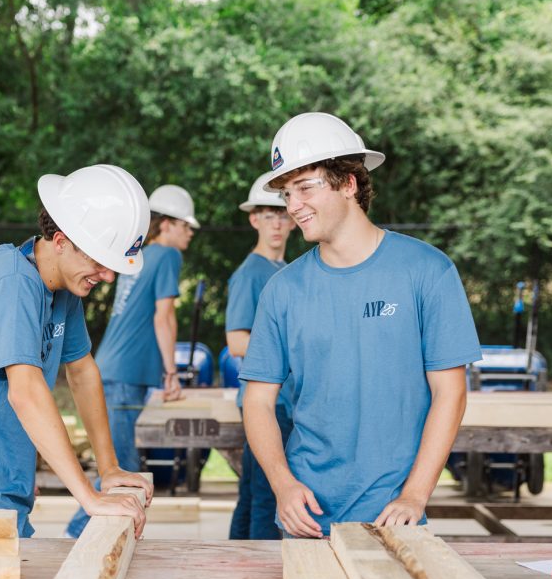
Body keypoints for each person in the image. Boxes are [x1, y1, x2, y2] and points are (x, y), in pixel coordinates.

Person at [241, 112, 481, 538]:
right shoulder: (283, 290)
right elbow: (258, 402)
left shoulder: (426, 271)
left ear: (348, 183)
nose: (292, 206)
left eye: (305, 187)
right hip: (305, 519)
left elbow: (451, 392)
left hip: (394, 517)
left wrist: (415, 496)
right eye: (286, 193)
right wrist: (283, 485)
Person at [0, 164, 153, 538]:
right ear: (60, 241)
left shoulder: (60, 285)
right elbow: (25, 393)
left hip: (0, 491)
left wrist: (109, 469)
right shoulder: (13, 282)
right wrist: (89, 497)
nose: (107, 276)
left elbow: (82, 371)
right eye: (99, 261)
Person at [65, 184, 200, 538]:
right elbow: (163, 316)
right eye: (185, 226)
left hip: (111, 369)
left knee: (115, 470)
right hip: (123, 377)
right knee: (121, 474)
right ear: (166, 225)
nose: (189, 233)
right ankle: (77, 537)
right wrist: (172, 373)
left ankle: (79, 534)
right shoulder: (168, 255)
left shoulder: (140, 258)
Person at [226, 172, 296, 539]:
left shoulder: (282, 269)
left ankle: (236, 563)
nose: (277, 223)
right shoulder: (251, 272)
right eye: (268, 215)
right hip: (266, 403)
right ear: (254, 219)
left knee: (253, 493)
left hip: (281, 401)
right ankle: (261, 577)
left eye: (282, 214)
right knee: (269, 496)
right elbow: (236, 341)